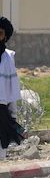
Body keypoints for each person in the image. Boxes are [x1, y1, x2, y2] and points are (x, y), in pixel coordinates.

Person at [0, 16, 22, 160]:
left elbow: (12, 89)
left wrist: (13, 115)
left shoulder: (8, 58)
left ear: (5, 36)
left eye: (0, 33)